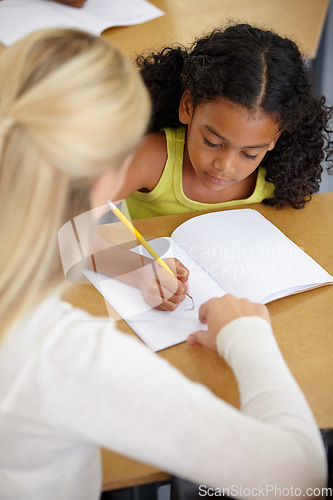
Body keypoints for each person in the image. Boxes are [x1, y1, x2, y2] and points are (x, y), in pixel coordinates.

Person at [0, 28, 327, 500]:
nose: (227, 165)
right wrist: (246, 334)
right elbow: (297, 477)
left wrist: (131, 264)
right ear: (107, 180)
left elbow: (74, 232)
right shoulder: (59, 355)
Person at [108, 23, 333, 220]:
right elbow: (72, 227)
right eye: (212, 142)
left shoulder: (281, 176)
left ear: (275, 139)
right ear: (188, 106)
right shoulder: (150, 160)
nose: (225, 166)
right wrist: (141, 266)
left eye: (249, 154)